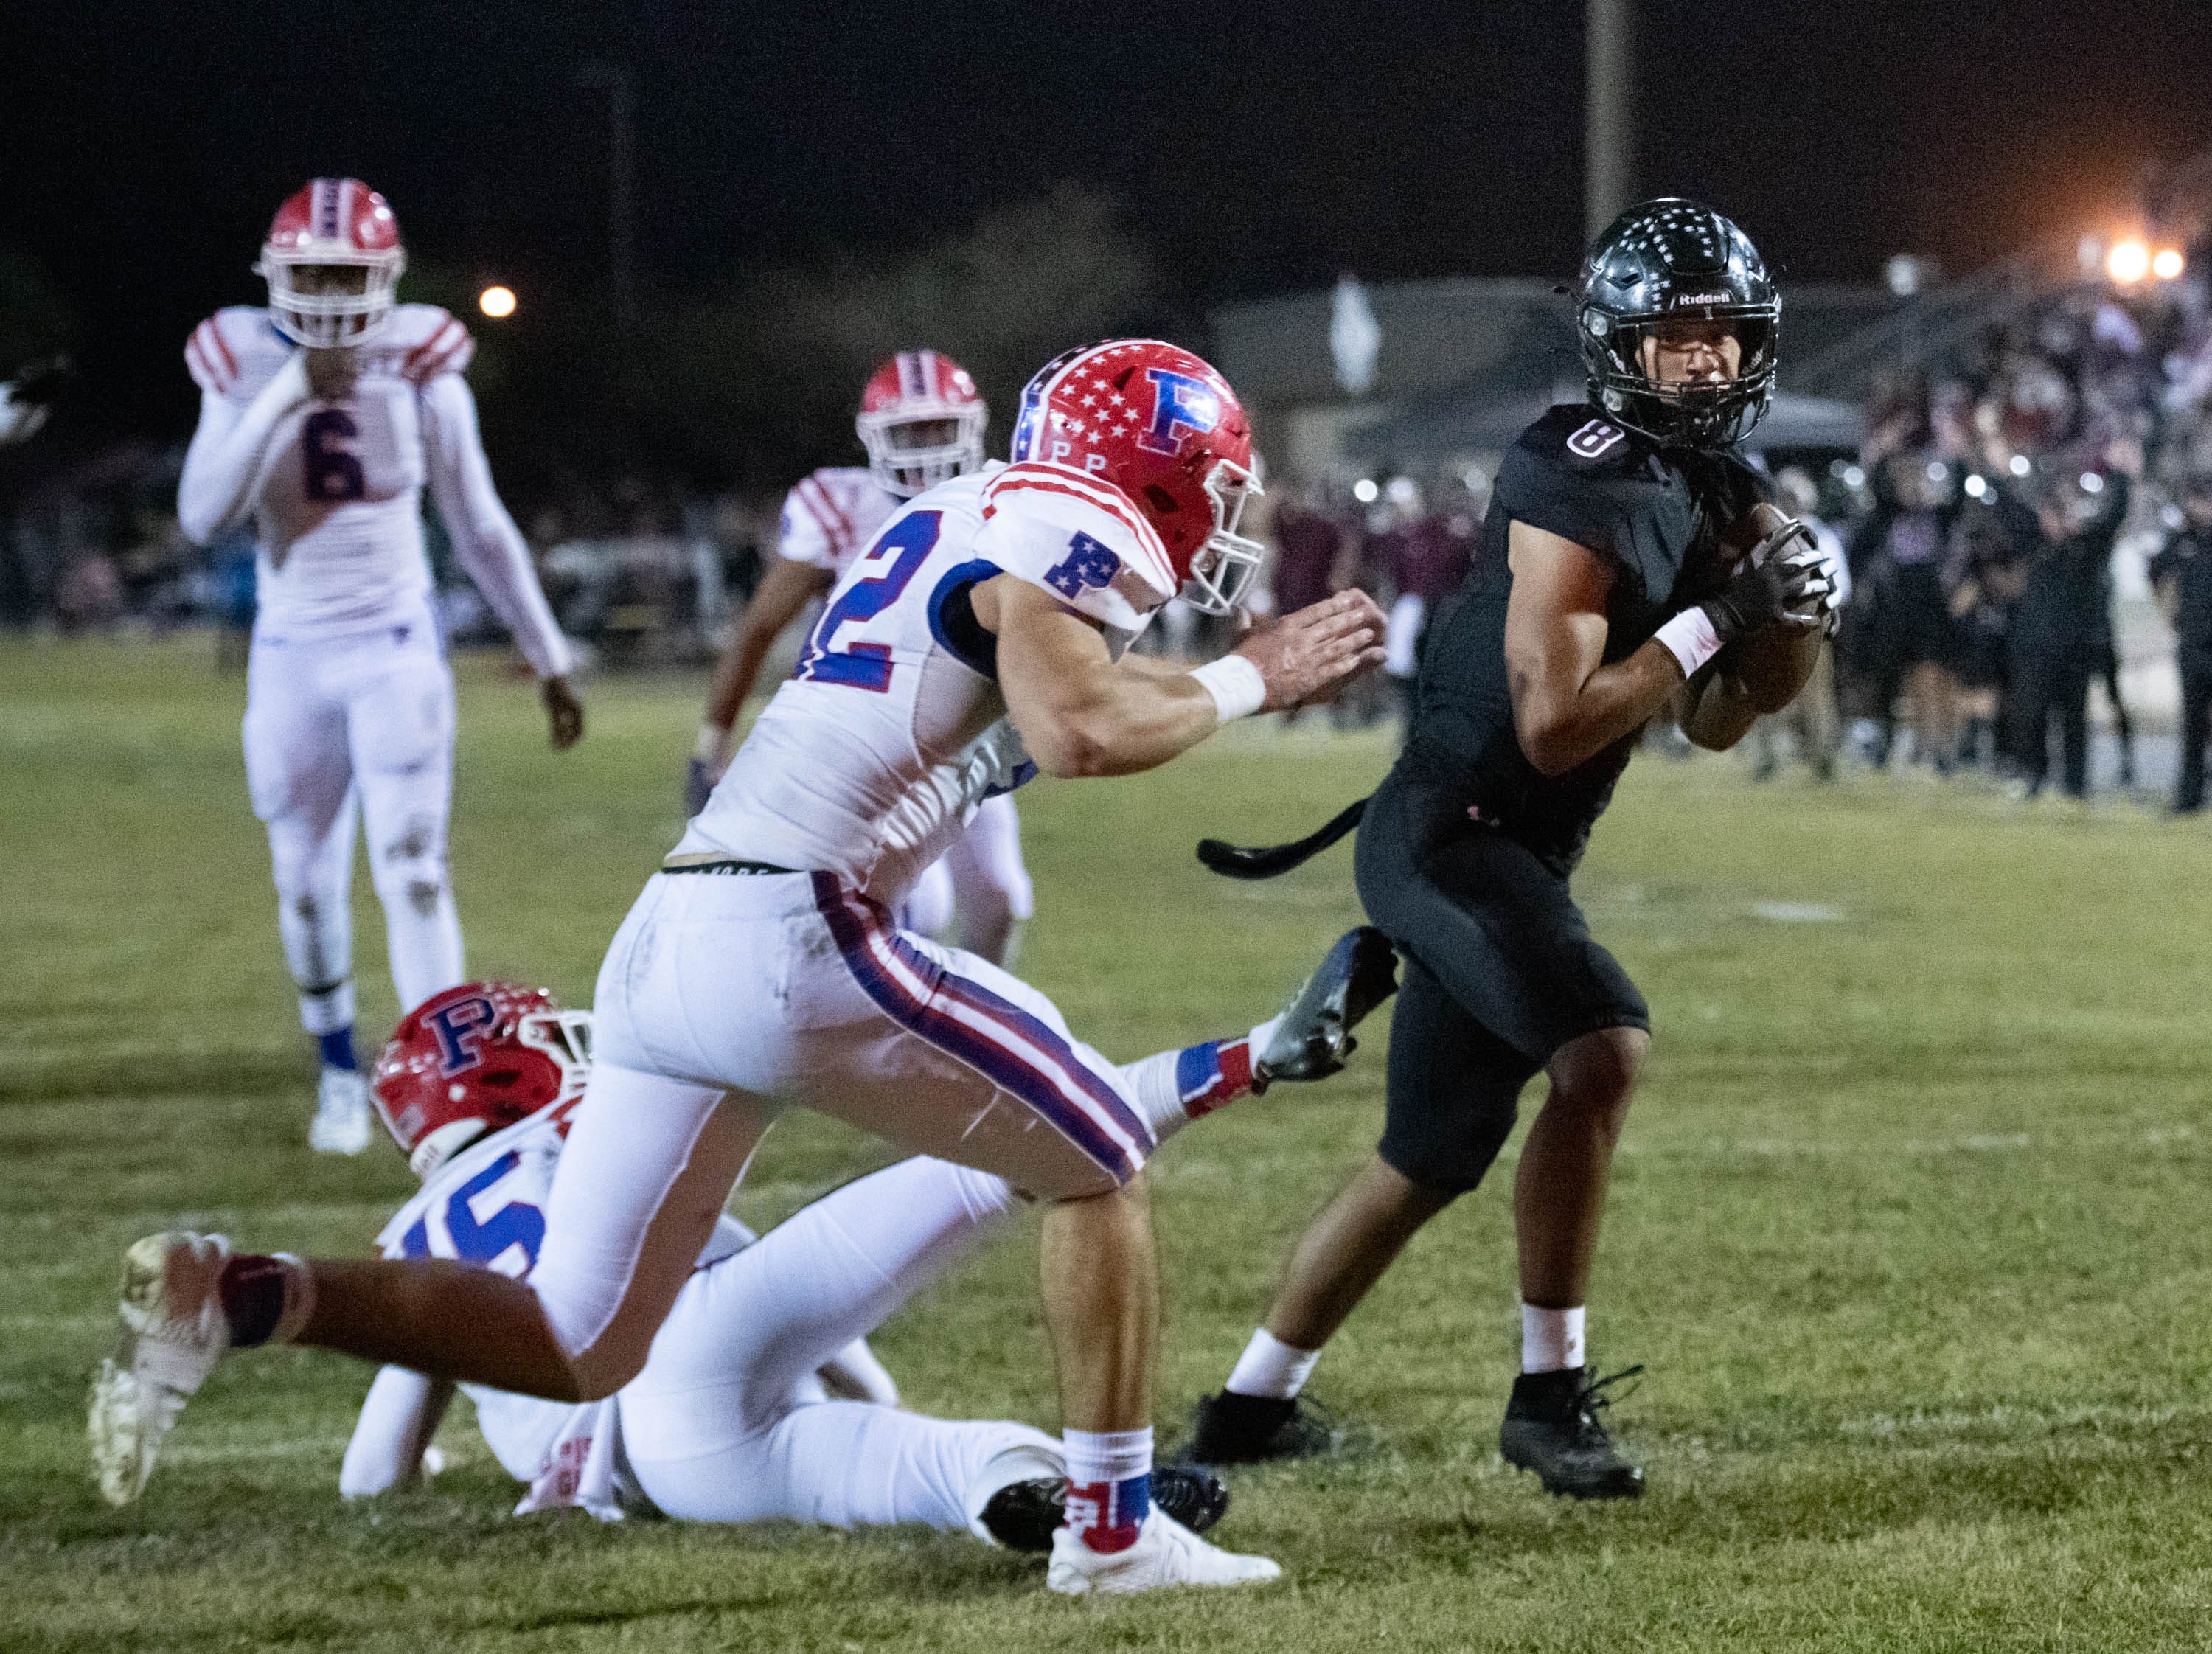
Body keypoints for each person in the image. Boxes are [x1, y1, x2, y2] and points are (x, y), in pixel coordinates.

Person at [95, 338, 1394, 1597]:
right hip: (802, 930)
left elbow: (1002, 716)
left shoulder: (957, 510)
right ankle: (1114, 1538)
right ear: (1153, 467)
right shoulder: (1073, 518)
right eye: (1216, 481)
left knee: (579, 1339)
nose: (1222, 513)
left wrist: (1213, 686)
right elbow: (1082, 727)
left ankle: (255, 1291)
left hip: (673, 937)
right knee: (1100, 1154)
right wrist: (1244, 676)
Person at [1184, 201, 1835, 1498]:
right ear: (1618, 346)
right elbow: (1551, 726)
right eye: (1678, 337)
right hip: (1447, 831)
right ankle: (1548, 1397)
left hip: (1510, 860)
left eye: (1725, 336)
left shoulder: (1725, 493)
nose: (1707, 360)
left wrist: (1794, 618)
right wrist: (1717, 618)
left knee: (1426, 1156)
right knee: (1602, 1048)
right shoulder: (1578, 464)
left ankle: (1244, 1411)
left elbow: (1714, 723)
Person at [338, 980, 1266, 1552]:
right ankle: (1214, 1067)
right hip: (696, 1346)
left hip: (664, 1471)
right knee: (998, 1160)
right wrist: (868, 1390)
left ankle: (1010, 1484)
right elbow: (736, 1277)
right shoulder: (583, 1137)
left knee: (927, 1471)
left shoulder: (419, 1239)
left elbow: (374, 1473)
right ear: (514, 1070)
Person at [175, 178, 582, 1154]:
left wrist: (548, 653)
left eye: (346, 274)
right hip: (290, 653)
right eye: (309, 271)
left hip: (396, 643)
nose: (325, 291)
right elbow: (202, 513)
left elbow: (478, 524)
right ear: (274, 275)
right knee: (305, 878)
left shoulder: (422, 363)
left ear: (387, 280)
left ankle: (451, 1093)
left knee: (413, 865)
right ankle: (338, 1072)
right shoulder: (239, 359)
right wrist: (284, 392)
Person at [687, 351, 1030, 964]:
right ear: (875, 438)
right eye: (909, 431)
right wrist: (711, 745)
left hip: (968, 731)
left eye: (938, 428)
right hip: (870, 733)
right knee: (922, 907)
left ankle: (968, 1026)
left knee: (1002, 897)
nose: (926, 448)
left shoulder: (1001, 498)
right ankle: (900, 1034)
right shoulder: (840, 504)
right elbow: (760, 628)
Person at [2149, 469, 2212, 813]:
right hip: (2192, 645)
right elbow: (2156, 575)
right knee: (2193, 726)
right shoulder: (2180, 539)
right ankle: (2189, 799)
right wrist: (2172, 615)